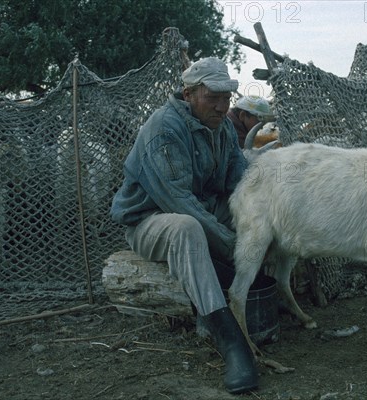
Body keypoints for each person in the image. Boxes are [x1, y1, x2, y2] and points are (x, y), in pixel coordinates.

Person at [109, 57, 258, 394]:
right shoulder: (163, 129)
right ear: (189, 94)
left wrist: (264, 220)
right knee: (187, 228)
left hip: (202, 208)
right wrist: (238, 249)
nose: (222, 107)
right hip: (151, 221)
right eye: (213, 98)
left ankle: (259, 286)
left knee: (255, 208)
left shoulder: (221, 128)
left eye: (227, 98)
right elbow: (178, 202)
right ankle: (229, 339)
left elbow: (241, 182)